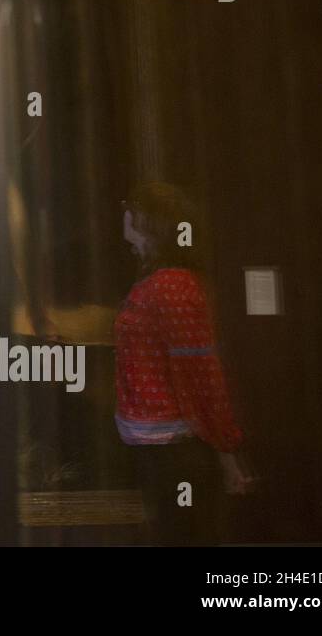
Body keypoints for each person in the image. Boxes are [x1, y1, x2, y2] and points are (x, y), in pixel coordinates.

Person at [115, 180, 255, 544]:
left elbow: (200, 374)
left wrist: (226, 447)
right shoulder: (159, 283)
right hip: (157, 448)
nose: (124, 214)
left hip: (177, 450)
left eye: (131, 207)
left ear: (148, 221)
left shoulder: (174, 285)